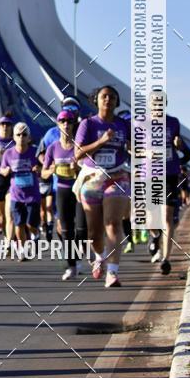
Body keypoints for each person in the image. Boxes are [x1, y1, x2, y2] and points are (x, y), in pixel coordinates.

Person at [74, 85, 131, 287]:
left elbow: (133, 149)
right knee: (94, 233)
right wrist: (101, 141)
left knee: (113, 223)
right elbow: (78, 154)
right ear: (96, 100)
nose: (108, 100)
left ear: (117, 102)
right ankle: (100, 256)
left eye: (112, 97)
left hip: (117, 176)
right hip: (92, 178)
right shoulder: (88, 124)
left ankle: (113, 273)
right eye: (104, 96)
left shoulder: (124, 125)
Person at [147, 96, 190, 275]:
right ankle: (156, 236)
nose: (157, 106)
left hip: (169, 174)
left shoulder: (173, 122)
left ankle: (166, 259)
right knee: (151, 218)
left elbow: (184, 152)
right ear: (149, 105)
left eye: (160, 102)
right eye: (154, 103)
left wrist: (179, 147)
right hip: (149, 175)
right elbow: (131, 147)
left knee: (167, 215)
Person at [42, 110, 81, 279]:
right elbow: (43, 173)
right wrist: (52, 169)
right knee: (66, 230)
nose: (66, 124)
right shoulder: (53, 148)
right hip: (62, 190)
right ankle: (71, 265)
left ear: (73, 124)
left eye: (69, 121)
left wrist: (77, 168)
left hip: (79, 190)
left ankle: (79, 255)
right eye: (62, 121)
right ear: (58, 124)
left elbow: (90, 167)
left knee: (81, 229)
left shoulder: (79, 146)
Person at [0, 122, 41, 257]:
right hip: (16, 195)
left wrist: (38, 169)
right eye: (18, 135)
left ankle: (35, 235)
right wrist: (6, 170)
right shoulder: (8, 153)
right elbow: (2, 169)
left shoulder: (35, 152)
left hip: (32, 195)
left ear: (29, 137)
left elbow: (44, 167)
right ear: (14, 137)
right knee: (19, 224)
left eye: (24, 134)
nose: (21, 137)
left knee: (30, 225)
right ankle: (22, 251)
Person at [0, 115, 14, 238]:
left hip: (11, 180)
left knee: (9, 213)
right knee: (2, 215)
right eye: (3, 125)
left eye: (7, 125)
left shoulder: (15, 141)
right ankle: (1, 226)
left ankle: (9, 241)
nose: (5, 127)